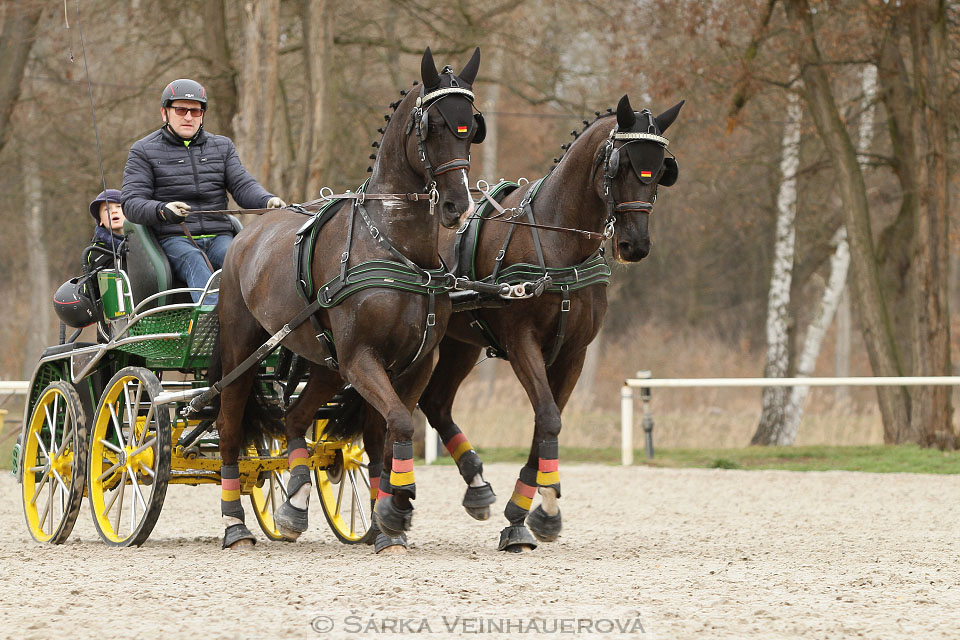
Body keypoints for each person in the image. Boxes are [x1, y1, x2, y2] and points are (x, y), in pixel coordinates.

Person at [121, 78, 286, 303]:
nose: (188, 117)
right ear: (164, 112)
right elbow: (131, 203)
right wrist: (163, 210)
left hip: (220, 235)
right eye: (180, 110)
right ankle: (210, 323)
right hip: (174, 238)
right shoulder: (142, 151)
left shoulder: (222, 146)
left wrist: (267, 201)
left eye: (195, 111)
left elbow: (242, 185)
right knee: (194, 259)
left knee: (243, 259)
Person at [84, 188, 127, 273]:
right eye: (107, 209)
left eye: (118, 206)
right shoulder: (96, 252)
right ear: (100, 221)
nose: (114, 211)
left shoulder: (145, 240)